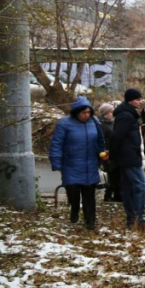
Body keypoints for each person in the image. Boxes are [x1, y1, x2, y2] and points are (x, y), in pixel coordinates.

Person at [49, 97, 106, 230]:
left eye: (88, 112)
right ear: (76, 112)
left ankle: (90, 222)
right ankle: (74, 209)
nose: (86, 115)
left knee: (89, 196)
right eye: (83, 113)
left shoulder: (95, 122)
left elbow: (100, 141)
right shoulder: (64, 123)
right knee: (73, 193)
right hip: (71, 164)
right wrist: (57, 162)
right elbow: (56, 144)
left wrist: (102, 154)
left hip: (90, 164)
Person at [109, 89, 145, 229]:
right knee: (141, 185)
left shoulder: (127, 114)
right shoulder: (127, 116)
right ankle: (137, 218)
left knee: (128, 187)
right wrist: (115, 154)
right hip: (129, 156)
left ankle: (132, 219)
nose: (140, 101)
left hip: (128, 155)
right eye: (138, 99)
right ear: (130, 100)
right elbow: (117, 136)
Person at [98, 102, 121, 203]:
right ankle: (108, 195)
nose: (113, 114)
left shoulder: (113, 122)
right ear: (105, 113)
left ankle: (116, 194)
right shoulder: (101, 124)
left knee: (116, 174)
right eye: (111, 112)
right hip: (106, 152)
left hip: (114, 151)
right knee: (111, 174)